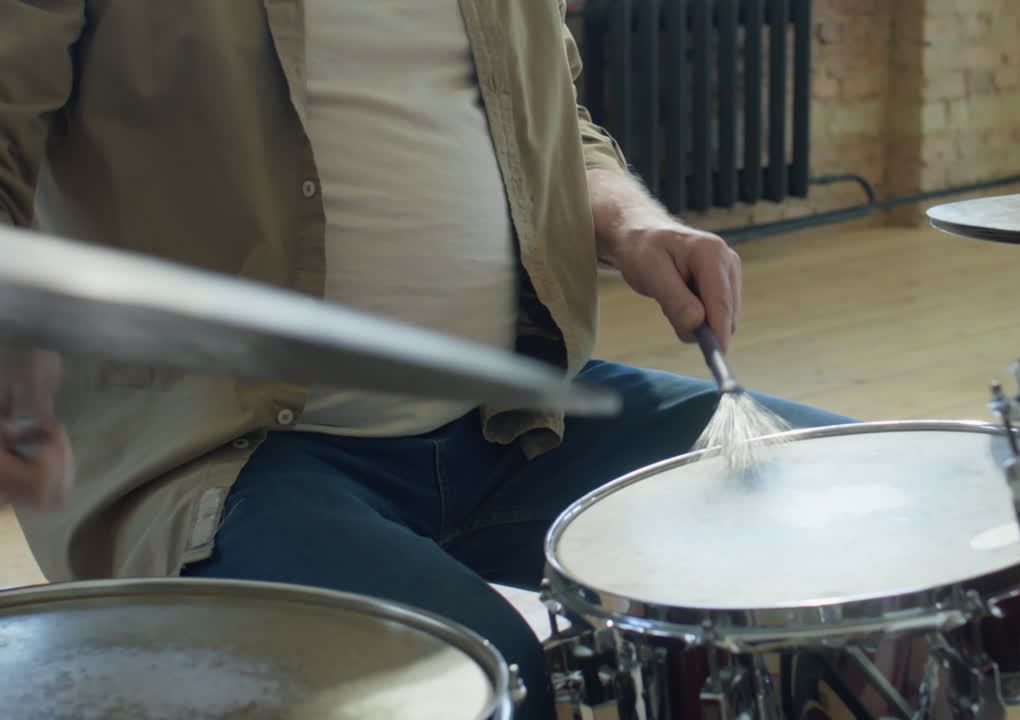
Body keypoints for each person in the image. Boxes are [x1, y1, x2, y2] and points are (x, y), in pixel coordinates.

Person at [0, 2, 849, 717]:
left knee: (853, 503)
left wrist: (635, 224)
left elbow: (553, 127)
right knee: (488, 677)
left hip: (523, 410)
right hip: (225, 451)